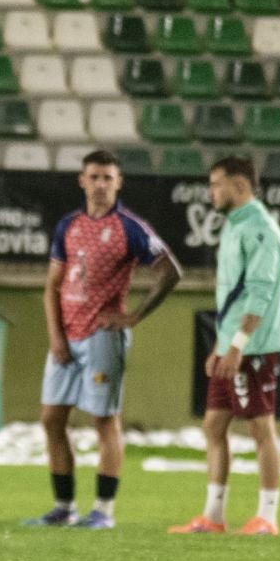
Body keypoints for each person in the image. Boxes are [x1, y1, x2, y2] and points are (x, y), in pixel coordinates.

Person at [27, 149, 181, 530]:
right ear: (82, 180)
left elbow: (170, 271)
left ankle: (104, 511)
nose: (100, 184)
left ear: (118, 182)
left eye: (107, 178)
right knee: (51, 418)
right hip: (66, 336)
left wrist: (135, 316)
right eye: (93, 177)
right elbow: (52, 287)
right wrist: (55, 336)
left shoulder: (130, 227)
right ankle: (64, 506)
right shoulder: (69, 226)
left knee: (103, 420)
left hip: (101, 336)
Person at [171, 157, 280, 537]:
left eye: (216, 185)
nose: (211, 193)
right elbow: (234, 295)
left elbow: (259, 293)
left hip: (253, 348)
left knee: (260, 428)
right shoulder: (235, 226)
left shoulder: (260, 229)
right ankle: (213, 516)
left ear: (239, 186)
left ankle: (267, 517)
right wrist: (222, 345)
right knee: (213, 424)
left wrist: (238, 345)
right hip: (233, 345)